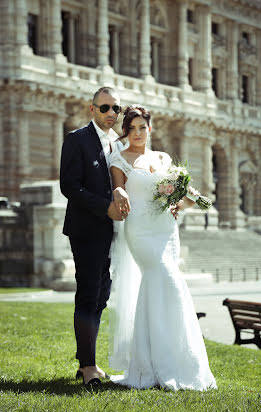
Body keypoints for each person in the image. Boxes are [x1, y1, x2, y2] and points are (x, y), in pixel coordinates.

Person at [108, 105, 217, 391]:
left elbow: (177, 199)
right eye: (131, 128)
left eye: (142, 127)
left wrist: (185, 200)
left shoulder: (163, 158)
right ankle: (158, 363)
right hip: (140, 230)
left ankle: (167, 360)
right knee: (165, 280)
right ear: (126, 131)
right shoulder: (119, 158)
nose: (137, 133)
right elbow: (117, 190)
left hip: (166, 230)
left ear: (150, 129)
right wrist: (119, 192)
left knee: (167, 285)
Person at [60, 86, 127, 387]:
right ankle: (88, 366)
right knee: (88, 295)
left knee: (101, 296)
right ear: (92, 109)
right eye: (105, 108)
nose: (111, 113)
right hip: (87, 231)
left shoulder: (118, 144)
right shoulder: (77, 140)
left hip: (115, 234)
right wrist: (106, 208)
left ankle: (86, 359)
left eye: (116, 108)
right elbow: (69, 186)